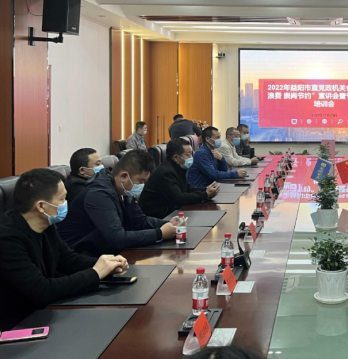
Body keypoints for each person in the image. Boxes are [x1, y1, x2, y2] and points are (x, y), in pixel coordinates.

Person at [0, 169, 129, 330]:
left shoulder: (46, 224)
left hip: (43, 313)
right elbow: (41, 290)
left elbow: (68, 260)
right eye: (62, 199)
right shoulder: (7, 238)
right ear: (41, 206)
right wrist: (96, 273)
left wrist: (108, 265)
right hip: (17, 325)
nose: (65, 203)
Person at [58, 150, 178, 255]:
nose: (142, 185)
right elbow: (117, 238)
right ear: (123, 176)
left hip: (104, 251)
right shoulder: (99, 194)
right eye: (141, 181)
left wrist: (169, 224)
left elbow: (139, 220)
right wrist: (160, 233)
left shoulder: (123, 189)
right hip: (81, 256)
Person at [139, 138, 221, 218]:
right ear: (176, 157)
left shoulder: (177, 167)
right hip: (157, 216)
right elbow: (179, 198)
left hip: (169, 210)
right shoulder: (166, 172)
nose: (191, 157)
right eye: (188, 154)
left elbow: (186, 187)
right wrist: (205, 195)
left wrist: (206, 190)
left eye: (191, 153)